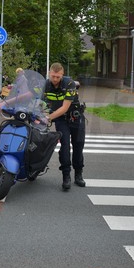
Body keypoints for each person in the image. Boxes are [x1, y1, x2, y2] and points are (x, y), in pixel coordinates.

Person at [43, 62, 86, 190]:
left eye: (58, 77)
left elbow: (65, 107)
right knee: (65, 147)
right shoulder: (45, 84)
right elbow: (35, 99)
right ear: (49, 74)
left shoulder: (69, 83)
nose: (55, 79)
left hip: (75, 117)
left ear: (62, 75)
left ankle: (78, 174)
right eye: (53, 76)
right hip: (61, 120)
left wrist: (48, 117)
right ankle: (66, 176)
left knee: (78, 146)